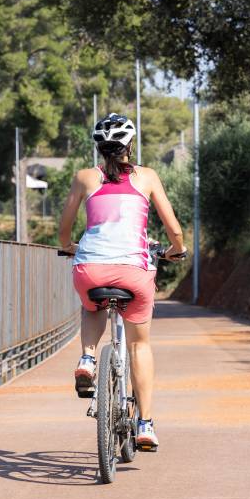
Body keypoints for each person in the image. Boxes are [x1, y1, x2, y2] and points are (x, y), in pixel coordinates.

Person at [57, 113, 186, 450]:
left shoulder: (85, 177)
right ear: (131, 145)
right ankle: (145, 424)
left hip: (91, 268)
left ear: (99, 147)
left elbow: (64, 229)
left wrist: (69, 247)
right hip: (134, 270)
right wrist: (177, 250)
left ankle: (87, 358)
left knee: (91, 304)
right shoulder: (148, 177)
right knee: (139, 345)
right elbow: (174, 229)